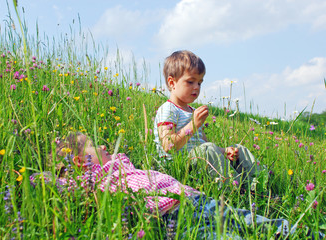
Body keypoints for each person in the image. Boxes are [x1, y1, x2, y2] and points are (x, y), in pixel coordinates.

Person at [39, 132, 324, 239]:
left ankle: (307, 233)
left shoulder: (122, 163)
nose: (102, 144)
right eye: (93, 146)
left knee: (251, 219)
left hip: (196, 199)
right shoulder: (92, 180)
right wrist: (50, 174)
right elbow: (54, 183)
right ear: (79, 163)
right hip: (173, 218)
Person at [153, 50, 260, 187]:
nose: (196, 87)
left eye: (199, 83)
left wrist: (224, 151)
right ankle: (234, 188)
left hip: (199, 160)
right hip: (178, 166)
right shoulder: (168, 109)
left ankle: (258, 183)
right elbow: (168, 145)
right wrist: (193, 124)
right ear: (172, 82)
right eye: (190, 82)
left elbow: (204, 143)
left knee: (238, 148)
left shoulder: (192, 111)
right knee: (207, 149)